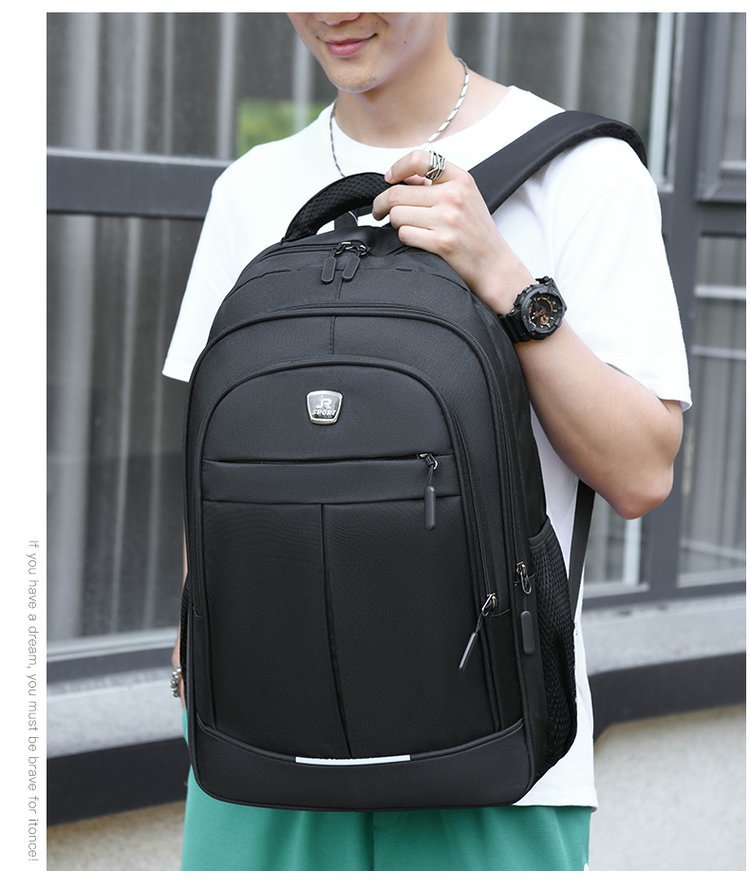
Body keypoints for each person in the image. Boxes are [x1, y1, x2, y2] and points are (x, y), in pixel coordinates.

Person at [163, 12, 691, 871]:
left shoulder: (584, 173)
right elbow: (214, 470)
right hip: (257, 750)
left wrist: (504, 278)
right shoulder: (251, 186)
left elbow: (642, 473)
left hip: (495, 757)